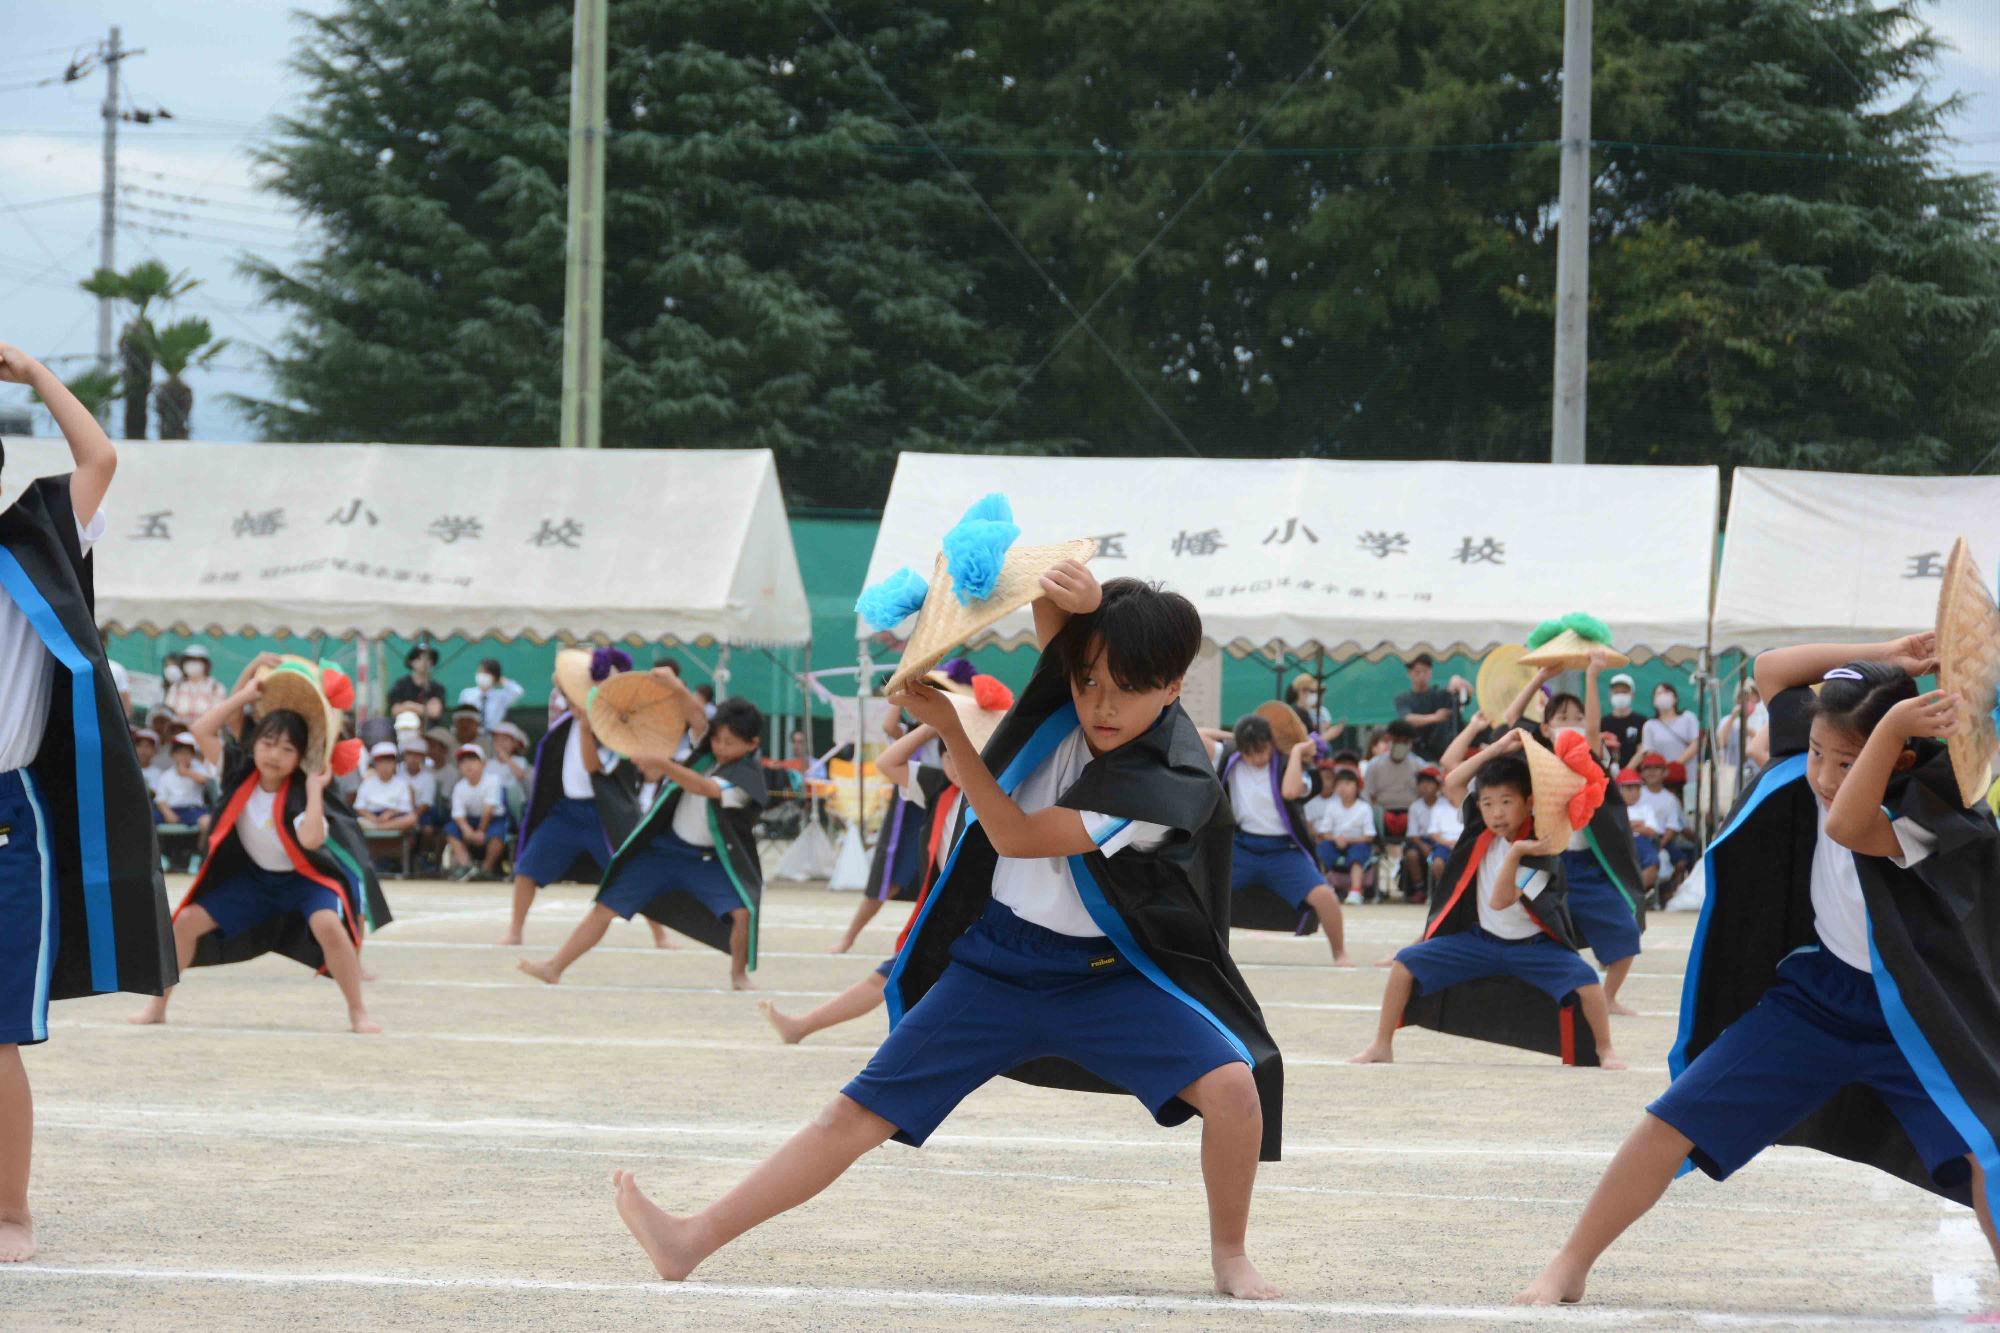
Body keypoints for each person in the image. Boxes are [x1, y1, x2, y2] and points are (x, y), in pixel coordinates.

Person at [609, 567, 1285, 1300]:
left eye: (1126, 687)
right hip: (997, 964)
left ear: (1173, 687)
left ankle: (1229, 1254)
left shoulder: (1169, 779)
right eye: (1089, 681)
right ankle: (689, 1239)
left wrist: (950, 731)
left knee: (1234, 1088)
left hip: (1106, 977)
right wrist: (1083, 603)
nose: (1101, 703)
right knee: (851, 1114)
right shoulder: (1079, 689)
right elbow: (1052, 611)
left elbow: (1017, 833)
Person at [1517, 633, 2000, 1306]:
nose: (1826, 777)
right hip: (1818, 999)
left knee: (1988, 1144)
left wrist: (1888, 725)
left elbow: (1851, 824)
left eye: (1847, 760)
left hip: (1920, 1015)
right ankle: (1569, 1262)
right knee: (1670, 1120)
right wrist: (1896, 653)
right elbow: (1770, 670)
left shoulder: (1938, 806)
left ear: (1904, 752)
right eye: (1816, 754)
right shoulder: (1837, 744)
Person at [0, 343, 176, 1262]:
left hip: (6, 816)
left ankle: (10, 1211)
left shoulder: (32, 546)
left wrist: (33, 378)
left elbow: (100, 459)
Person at [130, 659, 387, 1034]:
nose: (273, 754)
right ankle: (158, 1006)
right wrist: (247, 693)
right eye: (267, 743)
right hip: (253, 880)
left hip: (304, 881)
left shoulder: (302, 790)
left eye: (286, 749)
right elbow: (202, 729)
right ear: (254, 745)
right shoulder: (237, 769)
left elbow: (313, 840)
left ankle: (357, 1012)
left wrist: (316, 788)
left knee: (330, 925)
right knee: (184, 922)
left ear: (300, 757)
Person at [1350, 726, 1625, 1070]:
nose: (1496, 813)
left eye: (1507, 802)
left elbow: (1500, 900)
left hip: (1534, 948)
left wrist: (1515, 853)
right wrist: (1496, 748)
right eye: (1488, 803)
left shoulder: (1542, 851)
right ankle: (1381, 1044)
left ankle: (1605, 1048)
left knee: (1586, 981)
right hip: (1481, 942)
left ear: (1529, 803)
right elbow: (1452, 781)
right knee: (1405, 963)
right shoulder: (1479, 829)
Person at [762, 680, 1012, 1045]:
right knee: (889, 978)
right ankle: (802, 1027)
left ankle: (805, 1028)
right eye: (954, 754)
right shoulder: (938, 787)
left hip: (984, 917)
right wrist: (938, 724)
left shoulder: (999, 796)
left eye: (973, 754)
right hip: (946, 914)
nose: (962, 763)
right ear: (943, 760)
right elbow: (887, 762)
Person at [522, 698, 768, 989]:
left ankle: (738, 976)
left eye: (730, 742)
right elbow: (697, 717)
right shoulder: (707, 751)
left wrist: (664, 764)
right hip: (664, 851)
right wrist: (671, 687)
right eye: (717, 739)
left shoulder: (748, 778)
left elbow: (704, 788)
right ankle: (554, 966)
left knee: (742, 913)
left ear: (752, 744)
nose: (720, 747)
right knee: (605, 905)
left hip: (707, 860)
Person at [1497, 656, 1650, 1017]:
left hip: (1591, 867)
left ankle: (1608, 998)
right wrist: (1538, 678)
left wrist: (1593, 676)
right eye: (1561, 719)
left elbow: (1594, 729)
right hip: (1548, 863)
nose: (1572, 725)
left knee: (1626, 933)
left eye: (1577, 718)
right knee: (1525, 926)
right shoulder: (1538, 758)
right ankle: (1537, 994)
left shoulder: (1593, 759)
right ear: (1546, 728)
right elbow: (1511, 720)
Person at [502, 649, 632, 944]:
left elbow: (594, 767)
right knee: (526, 868)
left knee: (632, 870)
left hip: (602, 815)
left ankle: (659, 933)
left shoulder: (610, 727)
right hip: (566, 812)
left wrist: (587, 726)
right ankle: (515, 931)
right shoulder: (563, 724)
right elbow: (559, 679)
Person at [1211, 713, 1350, 964]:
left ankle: (1340, 953)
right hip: (1242, 848)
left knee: (1325, 897)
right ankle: (1204, 954)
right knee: (1200, 892)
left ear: (1272, 743)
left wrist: (1296, 752)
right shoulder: (1231, 757)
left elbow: (1290, 791)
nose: (1258, 758)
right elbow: (1198, 735)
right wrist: (1236, 736)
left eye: (1263, 749)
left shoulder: (1287, 763)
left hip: (1283, 851)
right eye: (1250, 752)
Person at [1362, 719, 1424, 882]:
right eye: (1397, 740)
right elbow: (1367, 796)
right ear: (1390, 740)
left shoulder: (1419, 765)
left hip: (1411, 814)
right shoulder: (1375, 765)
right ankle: (1370, 881)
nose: (1401, 744)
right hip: (1383, 815)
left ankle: (1415, 881)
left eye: (1405, 741)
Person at [447, 743, 511, 880]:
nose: (468, 765)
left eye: (473, 760)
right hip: (470, 821)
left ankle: (486, 869)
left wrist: (481, 831)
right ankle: (466, 866)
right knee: (450, 829)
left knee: (498, 834)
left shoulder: (493, 781)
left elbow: (489, 809)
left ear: (483, 764)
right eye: (463, 762)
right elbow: (458, 814)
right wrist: (468, 831)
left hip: (493, 820)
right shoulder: (459, 787)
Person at [1632, 752, 1695, 885]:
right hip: (1637, 836)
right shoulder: (1636, 793)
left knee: (1681, 862)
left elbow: (1672, 827)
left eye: (1656, 768)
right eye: (1647, 768)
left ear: (1665, 772)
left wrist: (1660, 845)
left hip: (1660, 838)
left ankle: (1669, 891)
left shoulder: (1670, 799)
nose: (1651, 772)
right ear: (1641, 773)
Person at [1315, 768, 1376, 903]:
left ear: (1357, 787)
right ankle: (1323, 888)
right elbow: (1324, 832)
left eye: (1348, 784)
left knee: (1358, 855)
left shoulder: (1364, 808)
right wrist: (1336, 839)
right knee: (1322, 849)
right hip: (1335, 842)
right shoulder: (1332, 806)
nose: (1343, 788)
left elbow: (1369, 836)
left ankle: (1355, 891)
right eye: (1340, 784)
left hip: (1357, 842)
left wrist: (1348, 840)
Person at [1394, 653, 1470, 761]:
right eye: (1417, 672)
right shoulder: (1403, 698)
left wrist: (1458, 681)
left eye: (1425, 671)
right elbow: (1407, 719)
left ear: (1430, 672)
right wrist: (1435, 717)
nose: (1421, 675)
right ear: (1409, 674)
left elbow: (1466, 695)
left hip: (1442, 753)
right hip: (1415, 754)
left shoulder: (1441, 695)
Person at [1402, 765, 1460, 904]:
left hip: (1447, 841)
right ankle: (1420, 888)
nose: (1425, 787)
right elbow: (1414, 834)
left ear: (1438, 786)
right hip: (1426, 840)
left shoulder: (1447, 803)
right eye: (1421, 783)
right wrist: (1423, 846)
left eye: (1429, 783)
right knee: (1412, 855)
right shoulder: (1416, 806)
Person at [152, 734, 212, 838]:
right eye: (179, 753)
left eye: (187, 753)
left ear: (192, 755)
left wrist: (186, 772)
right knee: (146, 819)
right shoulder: (166, 775)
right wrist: (167, 813)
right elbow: (160, 799)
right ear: (172, 755)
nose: (183, 756)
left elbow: (204, 780)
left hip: (193, 810)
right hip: (171, 809)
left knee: (207, 822)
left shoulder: (199, 768)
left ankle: (202, 851)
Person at [1616, 770, 1660, 893]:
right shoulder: (1614, 808)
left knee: (1652, 863)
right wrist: (1638, 825)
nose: (1634, 793)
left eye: (1637, 788)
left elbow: (1652, 831)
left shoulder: (1646, 808)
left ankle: (1634, 894)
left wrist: (1628, 826)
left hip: (1641, 843)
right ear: (1619, 789)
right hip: (1620, 844)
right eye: (1629, 789)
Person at [1640, 681, 1700, 769]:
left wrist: (1676, 765)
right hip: (1663, 779)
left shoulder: (1688, 717)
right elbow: (1649, 752)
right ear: (1654, 701)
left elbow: (1696, 743)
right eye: (1659, 693)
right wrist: (1665, 769)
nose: (1663, 696)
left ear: (1675, 698)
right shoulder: (1649, 725)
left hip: (1689, 778)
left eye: (1666, 692)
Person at [460, 656, 524, 733]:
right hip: (471, 734)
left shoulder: (500, 696)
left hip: (493, 735)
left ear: (494, 677)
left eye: (486, 673)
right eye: (480, 672)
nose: (482, 675)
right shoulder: (467, 693)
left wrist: (501, 680)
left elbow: (518, 692)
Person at [164, 643, 226, 722]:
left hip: (205, 731)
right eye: (189, 660)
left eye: (197, 661)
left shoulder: (216, 687)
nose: (192, 664)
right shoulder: (177, 686)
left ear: (206, 664)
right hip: (181, 732)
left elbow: (218, 715)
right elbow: (169, 711)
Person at [387, 643, 447, 722]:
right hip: (405, 729)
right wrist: (425, 709)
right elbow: (395, 711)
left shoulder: (437, 687)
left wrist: (408, 706)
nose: (424, 662)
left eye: (428, 658)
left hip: (430, 731)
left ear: (432, 663)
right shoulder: (401, 684)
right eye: (419, 658)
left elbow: (434, 712)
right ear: (411, 662)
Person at [1601, 672, 1647, 771]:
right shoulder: (1603, 722)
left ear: (1632, 695)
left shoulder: (1641, 721)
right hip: (1607, 775)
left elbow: (1642, 750)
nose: (1620, 695)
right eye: (1616, 692)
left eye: (1624, 691)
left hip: (1634, 777)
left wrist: (1626, 771)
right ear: (1610, 694)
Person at [1287, 672, 1343, 741]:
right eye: (1313, 691)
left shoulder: (1305, 712)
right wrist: (1326, 737)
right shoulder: (1295, 714)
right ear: (1301, 691)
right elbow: (1303, 743)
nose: (1316, 695)